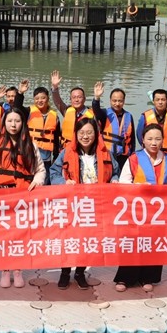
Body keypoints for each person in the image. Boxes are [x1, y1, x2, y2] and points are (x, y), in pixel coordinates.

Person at [49, 118, 118, 290]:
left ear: (96, 134)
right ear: (76, 134)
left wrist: (115, 181)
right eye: (81, 133)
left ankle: (80, 272)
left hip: (95, 206)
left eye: (89, 132)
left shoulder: (106, 153)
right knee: (69, 239)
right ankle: (65, 272)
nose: (85, 136)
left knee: (88, 240)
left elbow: (115, 172)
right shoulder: (66, 153)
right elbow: (53, 172)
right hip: (72, 205)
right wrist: (63, 183)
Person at [0, 107, 46, 288]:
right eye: (10, 121)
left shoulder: (30, 145)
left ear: (22, 123)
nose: (13, 124)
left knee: (20, 235)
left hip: (22, 198)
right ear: (4, 123)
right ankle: (5, 269)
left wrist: (37, 181)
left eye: (17, 121)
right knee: (3, 235)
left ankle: (18, 269)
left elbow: (40, 170)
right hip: (1, 198)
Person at [114, 123, 167, 292]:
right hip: (137, 210)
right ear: (143, 140)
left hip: (159, 212)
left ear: (163, 140)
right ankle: (125, 278)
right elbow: (123, 183)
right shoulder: (134, 159)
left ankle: (148, 277)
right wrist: (138, 187)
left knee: (154, 243)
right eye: (150, 139)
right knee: (134, 242)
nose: (154, 142)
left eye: (158, 139)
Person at [12, 82, 61, 183]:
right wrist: (20, 93)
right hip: (29, 155)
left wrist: (56, 157)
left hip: (46, 159)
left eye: (43, 98)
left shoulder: (54, 116)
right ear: (34, 100)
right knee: (28, 181)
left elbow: (56, 139)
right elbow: (16, 108)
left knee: (44, 182)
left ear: (48, 99)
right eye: (37, 98)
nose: (40, 101)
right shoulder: (29, 112)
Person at [92, 82, 135, 171]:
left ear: (124, 101)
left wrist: (132, 155)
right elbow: (96, 110)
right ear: (110, 101)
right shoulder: (104, 114)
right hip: (108, 154)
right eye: (114, 101)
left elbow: (132, 139)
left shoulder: (129, 116)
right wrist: (97, 98)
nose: (117, 103)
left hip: (123, 156)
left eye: (120, 101)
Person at [50, 70, 95, 145]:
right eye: (74, 97)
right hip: (67, 146)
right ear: (70, 99)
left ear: (84, 99)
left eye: (79, 97)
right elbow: (58, 102)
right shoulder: (67, 110)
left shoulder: (92, 115)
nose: (76, 100)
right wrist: (55, 87)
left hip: (82, 147)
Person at [136, 88, 167, 158]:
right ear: (153, 101)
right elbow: (139, 135)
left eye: (163, 100)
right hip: (149, 154)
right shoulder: (145, 116)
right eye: (157, 100)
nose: (160, 102)